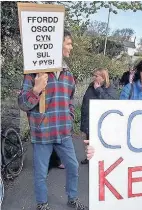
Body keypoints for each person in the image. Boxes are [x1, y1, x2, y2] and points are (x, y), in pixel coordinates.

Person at [18, 30, 88, 210]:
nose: (71, 47)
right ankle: (42, 204)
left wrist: (70, 116)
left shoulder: (68, 74)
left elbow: (70, 99)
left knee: (73, 166)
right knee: (41, 174)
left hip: (64, 133)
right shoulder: (35, 72)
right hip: (42, 133)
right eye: (69, 43)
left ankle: (72, 198)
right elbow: (23, 104)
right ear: (56, 44)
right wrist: (35, 90)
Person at [80, 68, 118, 164]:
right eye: (94, 75)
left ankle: (100, 160)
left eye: (96, 76)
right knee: (89, 140)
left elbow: (110, 102)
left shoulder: (109, 87)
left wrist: (98, 89)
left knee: (100, 141)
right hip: (89, 117)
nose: (94, 77)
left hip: (101, 121)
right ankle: (90, 158)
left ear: (103, 77)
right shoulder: (91, 86)